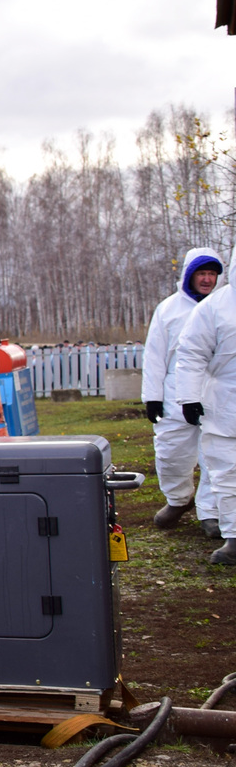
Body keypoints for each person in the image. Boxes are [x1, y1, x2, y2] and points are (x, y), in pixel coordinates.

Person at [142, 247, 223, 536]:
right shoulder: (168, 310)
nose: (207, 279)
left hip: (214, 397)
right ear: (189, 275)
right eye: (201, 273)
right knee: (171, 453)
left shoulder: (223, 308)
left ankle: (210, 513)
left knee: (216, 456)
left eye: (212, 273)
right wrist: (153, 397)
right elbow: (155, 356)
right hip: (175, 397)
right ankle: (178, 500)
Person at [175, 241, 236, 565]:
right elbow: (191, 354)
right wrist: (189, 397)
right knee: (226, 474)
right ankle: (234, 538)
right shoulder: (214, 308)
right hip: (225, 406)